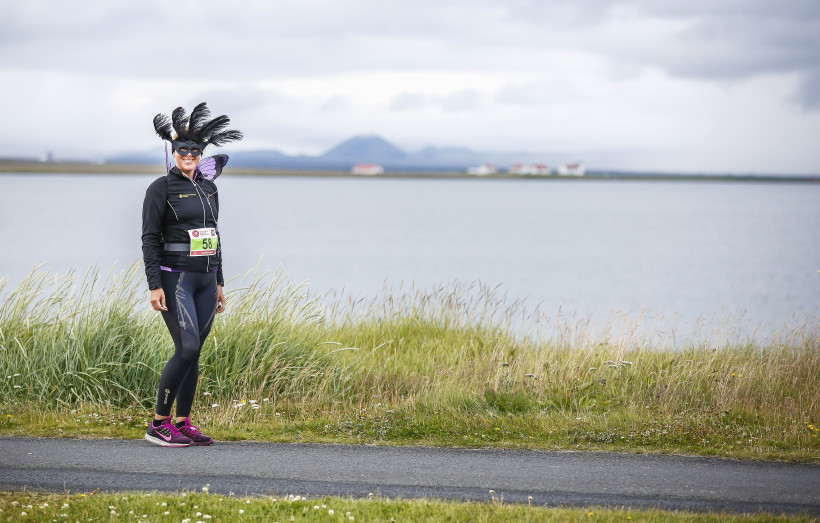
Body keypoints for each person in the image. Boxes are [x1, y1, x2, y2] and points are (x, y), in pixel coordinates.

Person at [141, 102, 242, 447]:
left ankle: (182, 422)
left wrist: (219, 282)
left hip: (205, 279)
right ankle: (158, 423)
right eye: (182, 150)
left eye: (195, 151)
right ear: (174, 152)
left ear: (202, 155)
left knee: (195, 352)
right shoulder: (161, 188)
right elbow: (150, 238)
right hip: (175, 279)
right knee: (186, 347)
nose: (189, 154)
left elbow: (214, 236)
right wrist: (154, 285)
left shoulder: (209, 188)